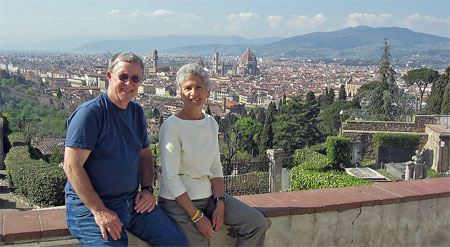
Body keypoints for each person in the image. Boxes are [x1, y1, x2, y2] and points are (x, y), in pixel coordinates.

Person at [63, 52, 188, 246]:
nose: (129, 83)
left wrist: (147, 190)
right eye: (123, 77)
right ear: (109, 76)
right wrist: (99, 211)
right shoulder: (90, 114)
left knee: (177, 243)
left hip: (132, 203)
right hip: (89, 209)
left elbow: (145, 156)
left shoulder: (136, 112)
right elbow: (72, 166)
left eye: (135, 79)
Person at [158, 63, 271, 246]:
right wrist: (196, 216)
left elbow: (215, 166)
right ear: (180, 93)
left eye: (199, 87)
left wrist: (220, 203)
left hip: (209, 198)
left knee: (256, 223)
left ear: (208, 92)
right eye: (188, 88)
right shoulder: (172, 127)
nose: (193, 93)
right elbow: (170, 179)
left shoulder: (210, 123)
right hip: (178, 204)